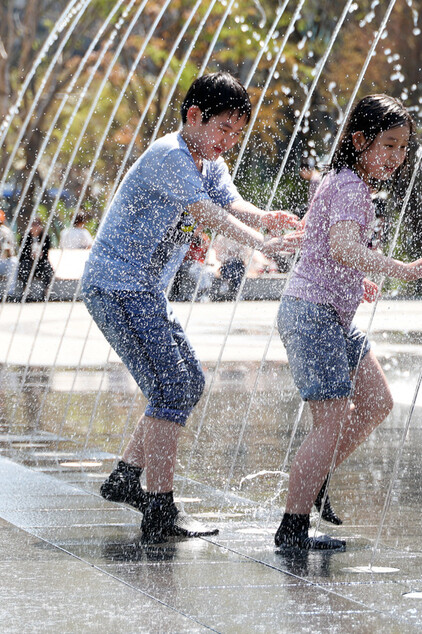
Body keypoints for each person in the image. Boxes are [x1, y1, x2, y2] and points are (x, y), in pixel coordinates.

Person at [82, 72, 302, 543]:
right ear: (194, 117)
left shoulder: (206, 161)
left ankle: (125, 477)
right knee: (169, 388)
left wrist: (264, 217)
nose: (229, 141)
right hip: (117, 287)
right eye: (223, 129)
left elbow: (229, 202)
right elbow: (208, 214)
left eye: (236, 134)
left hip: (142, 292)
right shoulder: (170, 156)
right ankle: (159, 508)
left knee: (187, 383)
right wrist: (265, 243)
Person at [275, 94, 422, 550]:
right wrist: (403, 270)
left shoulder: (342, 181)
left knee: (376, 401)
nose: (397, 157)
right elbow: (343, 249)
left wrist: (356, 282)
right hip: (313, 315)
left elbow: (320, 243)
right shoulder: (350, 186)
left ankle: (315, 478)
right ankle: (292, 528)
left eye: (403, 148)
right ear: (359, 140)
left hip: (328, 313)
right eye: (388, 145)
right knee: (330, 422)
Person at [15, 218, 54, 302]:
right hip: (29, 262)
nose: (35, 228)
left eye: (37, 225)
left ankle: (46, 292)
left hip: (40, 262)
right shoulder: (25, 237)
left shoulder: (45, 236)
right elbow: (22, 255)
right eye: (33, 225)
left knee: (47, 266)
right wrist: (31, 255)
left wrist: (40, 255)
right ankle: (26, 291)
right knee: (25, 265)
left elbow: (46, 254)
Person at [0, 209, 17, 295]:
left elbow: (12, 250)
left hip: (4, 261)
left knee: (13, 262)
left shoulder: (6, 231)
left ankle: (10, 293)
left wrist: (7, 250)